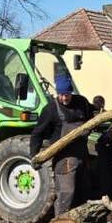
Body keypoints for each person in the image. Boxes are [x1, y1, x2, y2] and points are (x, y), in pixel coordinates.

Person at [29, 72, 93, 213]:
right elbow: (37, 133)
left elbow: (92, 121)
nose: (64, 98)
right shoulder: (51, 109)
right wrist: (34, 155)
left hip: (82, 154)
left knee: (84, 192)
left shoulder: (82, 103)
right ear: (57, 93)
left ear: (71, 92)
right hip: (64, 159)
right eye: (61, 95)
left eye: (67, 94)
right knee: (66, 193)